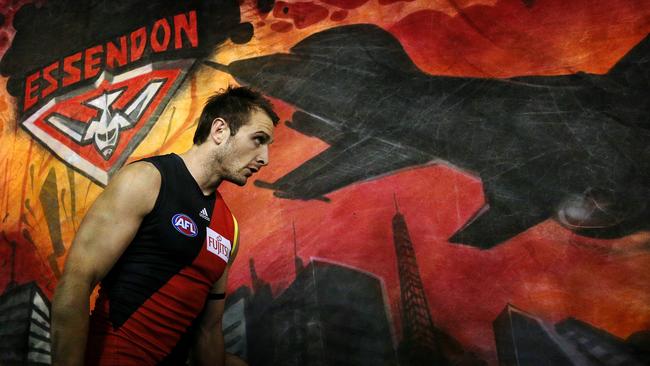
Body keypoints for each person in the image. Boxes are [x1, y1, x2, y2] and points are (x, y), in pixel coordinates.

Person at [51, 86, 279, 365]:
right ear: (219, 131)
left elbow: (208, 332)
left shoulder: (229, 228)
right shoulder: (146, 180)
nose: (265, 158)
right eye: (259, 139)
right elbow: (75, 282)